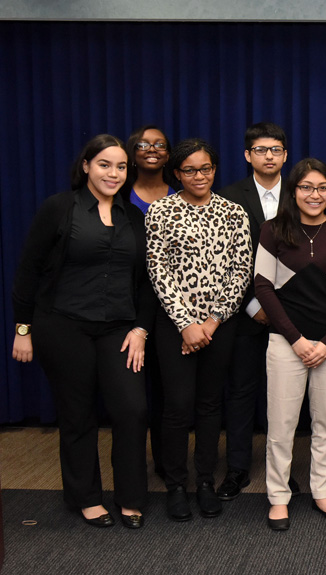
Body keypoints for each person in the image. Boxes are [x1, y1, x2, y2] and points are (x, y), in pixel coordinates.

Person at [12, 134, 155, 529]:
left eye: (122, 166)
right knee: (77, 415)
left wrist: (141, 329)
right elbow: (28, 271)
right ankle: (86, 498)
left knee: (132, 409)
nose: (114, 173)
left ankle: (130, 497)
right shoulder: (59, 208)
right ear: (87, 166)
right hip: (62, 325)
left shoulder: (134, 217)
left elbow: (146, 283)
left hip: (119, 329)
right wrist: (22, 329)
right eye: (105, 164)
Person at [146, 138, 252, 522]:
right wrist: (187, 324)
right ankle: (176, 484)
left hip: (219, 324)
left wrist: (210, 323)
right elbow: (157, 272)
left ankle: (205, 480)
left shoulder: (234, 213)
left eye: (205, 168)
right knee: (176, 406)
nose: (199, 176)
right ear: (177, 173)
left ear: (214, 169)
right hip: (175, 325)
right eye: (190, 170)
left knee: (210, 405)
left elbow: (240, 271)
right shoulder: (160, 211)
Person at [254, 158, 326, 529]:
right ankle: (278, 498)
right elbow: (263, 287)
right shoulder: (272, 230)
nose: (314, 195)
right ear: (293, 191)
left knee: (325, 423)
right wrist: (296, 340)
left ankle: (321, 492)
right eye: (305, 187)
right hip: (286, 342)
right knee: (281, 425)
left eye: (321, 188)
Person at [216, 122, 297, 501]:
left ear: (285, 155)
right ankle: (236, 468)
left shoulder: (303, 195)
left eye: (276, 150)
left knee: (287, 395)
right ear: (248, 155)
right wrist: (252, 304)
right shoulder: (228, 196)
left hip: (293, 312)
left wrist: (282, 307)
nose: (269, 156)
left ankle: (283, 470)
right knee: (241, 391)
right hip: (243, 312)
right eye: (261, 150)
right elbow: (225, 259)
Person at [124, 124, 177, 480]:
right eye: (144, 144)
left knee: (165, 392)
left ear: (169, 154)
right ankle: (130, 465)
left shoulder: (180, 194)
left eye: (159, 144)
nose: (152, 149)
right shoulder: (118, 195)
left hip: (170, 309)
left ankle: (165, 461)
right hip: (125, 304)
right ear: (133, 153)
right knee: (129, 395)